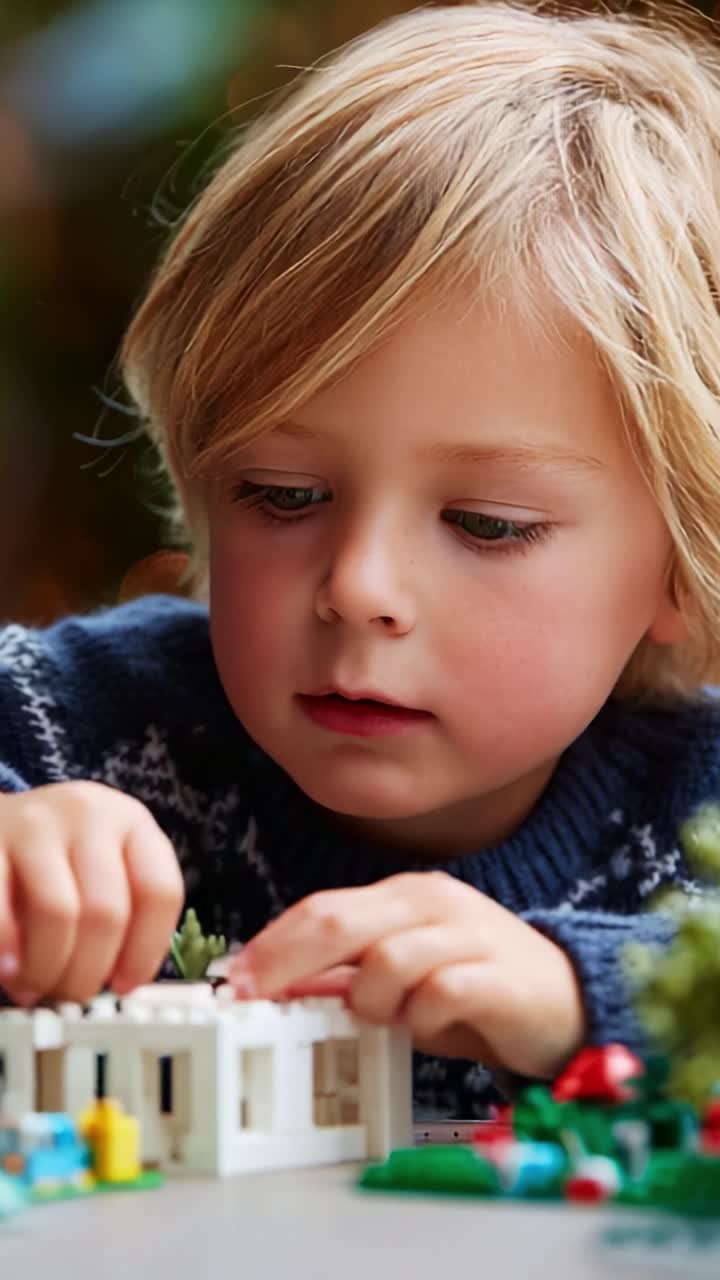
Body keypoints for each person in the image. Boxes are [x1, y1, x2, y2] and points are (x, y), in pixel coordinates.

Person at [2, 0, 720, 1119]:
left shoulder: (701, 829)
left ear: (684, 555)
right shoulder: (76, 730)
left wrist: (590, 996)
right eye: (280, 495)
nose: (359, 586)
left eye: (487, 522)